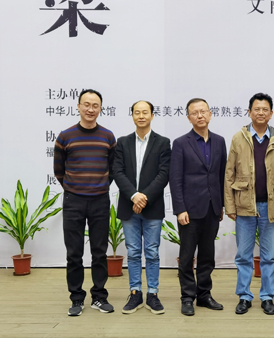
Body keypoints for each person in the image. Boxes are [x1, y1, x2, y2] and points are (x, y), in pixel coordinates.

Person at [225, 93, 274, 315]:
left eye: (265, 109)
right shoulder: (238, 138)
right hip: (245, 206)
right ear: (249, 112)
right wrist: (230, 206)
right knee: (243, 256)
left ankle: (267, 297)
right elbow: (229, 174)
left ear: (271, 113)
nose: (261, 113)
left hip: (271, 206)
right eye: (257, 109)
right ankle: (244, 296)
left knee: (269, 256)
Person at [54, 89, 117, 316]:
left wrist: (99, 186)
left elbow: (112, 169)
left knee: (99, 251)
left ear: (100, 108)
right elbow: (59, 170)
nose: (90, 109)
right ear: (79, 106)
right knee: (74, 253)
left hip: (100, 200)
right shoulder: (65, 136)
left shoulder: (108, 136)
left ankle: (99, 297)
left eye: (95, 105)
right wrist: (75, 189)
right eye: (86, 104)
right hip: (74, 201)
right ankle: (76, 299)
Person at [170, 98, 227, 316]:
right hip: (189, 210)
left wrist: (221, 205)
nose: (200, 115)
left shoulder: (219, 141)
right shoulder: (180, 143)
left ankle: (204, 294)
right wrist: (180, 209)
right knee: (186, 256)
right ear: (189, 118)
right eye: (195, 113)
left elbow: (221, 175)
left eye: (203, 111)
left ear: (210, 114)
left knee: (207, 255)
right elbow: (175, 179)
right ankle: (187, 297)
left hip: (212, 208)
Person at [113, 100, 171, 315]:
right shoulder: (122, 142)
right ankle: (135, 293)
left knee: (152, 252)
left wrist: (144, 197)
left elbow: (164, 174)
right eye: (137, 112)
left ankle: (153, 294)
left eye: (145, 112)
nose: (141, 116)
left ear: (152, 115)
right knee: (133, 252)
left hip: (152, 207)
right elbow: (117, 172)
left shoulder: (162, 142)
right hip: (129, 207)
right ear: (132, 116)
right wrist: (134, 196)